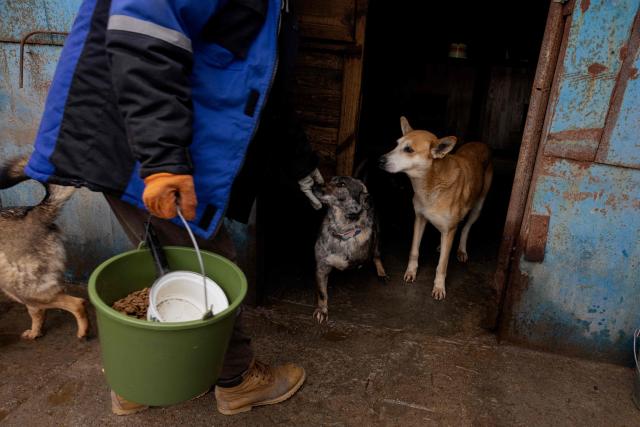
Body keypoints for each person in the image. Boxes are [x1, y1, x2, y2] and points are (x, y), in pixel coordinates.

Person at [25, 0, 324, 416]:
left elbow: (265, 83)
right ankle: (234, 381)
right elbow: (144, 31)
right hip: (139, 140)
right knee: (208, 265)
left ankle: (141, 381)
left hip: (152, 138)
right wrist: (163, 160)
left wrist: (300, 160)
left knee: (164, 258)